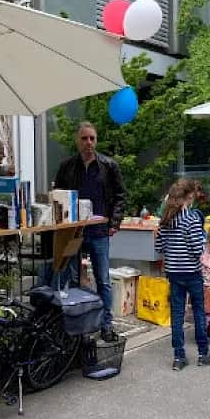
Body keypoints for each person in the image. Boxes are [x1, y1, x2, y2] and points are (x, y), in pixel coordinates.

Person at [54, 121, 126, 342]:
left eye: (92, 138)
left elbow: (121, 195)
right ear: (78, 140)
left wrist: (114, 223)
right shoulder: (67, 166)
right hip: (74, 232)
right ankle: (76, 326)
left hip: (99, 232)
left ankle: (106, 325)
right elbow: (57, 195)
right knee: (71, 279)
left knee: (103, 280)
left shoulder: (108, 165)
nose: (88, 143)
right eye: (84, 138)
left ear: (96, 140)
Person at [155, 180, 210, 370]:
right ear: (189, 197)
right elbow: (197, 248)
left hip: (174, 273)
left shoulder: (166, 220)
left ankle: (179, 357)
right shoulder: (191, 219)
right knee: (198, 311)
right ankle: (203, 353)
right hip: (192, 272)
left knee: (177, 313)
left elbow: (159, 248)